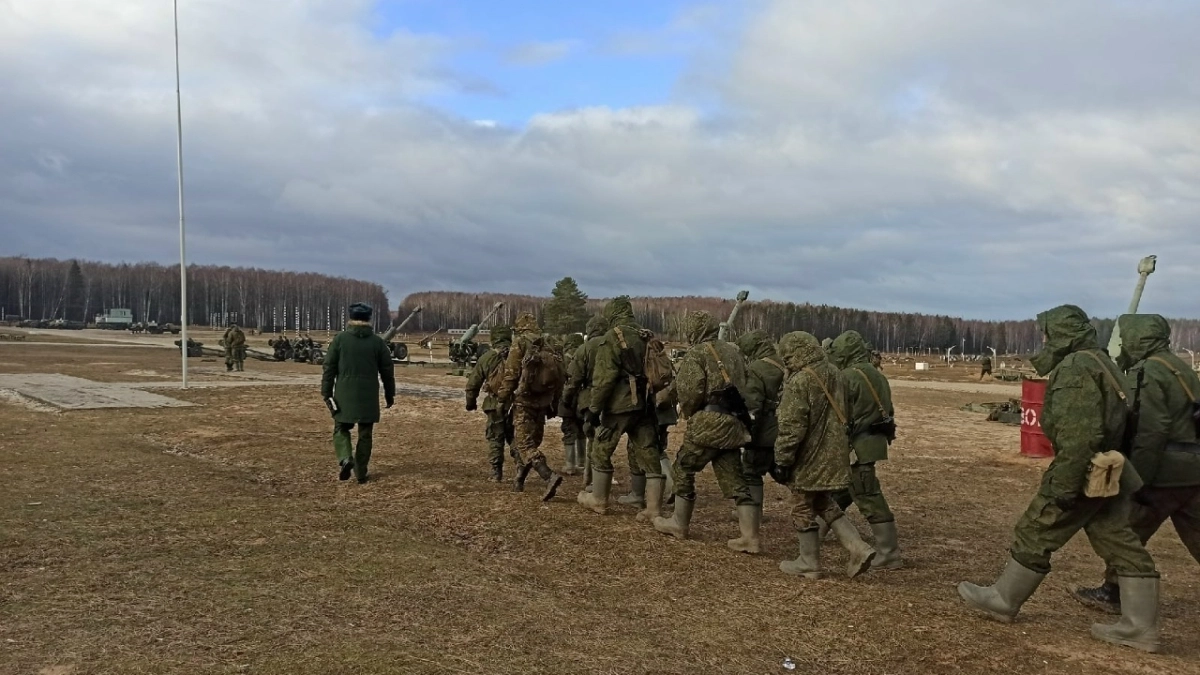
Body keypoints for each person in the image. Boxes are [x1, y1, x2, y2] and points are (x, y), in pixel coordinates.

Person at [958, 304, 1160, 653]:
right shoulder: (1101, 362)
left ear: (1063, 334)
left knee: (1036, 528)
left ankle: (1004, 600)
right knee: (1118, 540)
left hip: (1083, 470)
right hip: (1109, 471)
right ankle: (1140, 627)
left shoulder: (1076, 368)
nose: (1044, 339)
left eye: (1047, 333)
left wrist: (1064, 486)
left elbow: (1081, 436)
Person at [1075, 314, 1200, 615]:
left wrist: (1137, 481)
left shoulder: (1147, 371)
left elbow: (1151, 431)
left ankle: (1114, 593)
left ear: (1138, 339)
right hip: (1193, 470)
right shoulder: (1181, 367)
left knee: (1126, 532)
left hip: (1164, 474)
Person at [771, 331, 877, 578]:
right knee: (823, 502)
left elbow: (792, 426)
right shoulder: (836, 373)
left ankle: (808, 562)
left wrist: (782, 459)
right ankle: (858, 547)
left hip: (809, 456)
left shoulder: (800, 381)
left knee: (801, 505)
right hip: (835, 453)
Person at [653, 311, 758, 553]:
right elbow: (746, 384)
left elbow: (691, 391)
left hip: (709, 422)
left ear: (694, 330)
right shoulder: (733, 351)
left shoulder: (697, 353)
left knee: (683, 468)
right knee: (735, 478)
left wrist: (689, 411)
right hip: (733, 422)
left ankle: (678, 523)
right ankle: (749, 537)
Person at [577, 298, 662, 519]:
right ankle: (653, 508)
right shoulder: (646, 335)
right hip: (644, 405)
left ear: (612, 314)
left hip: (618, 407)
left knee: (601, 450)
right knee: (649, 452)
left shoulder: (612, 337)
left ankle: (598, 500)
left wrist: (594, 409)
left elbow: (604, 379)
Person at [828, 330, 903, 570]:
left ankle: (889, 553)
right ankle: (815, 530)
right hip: (872, 442)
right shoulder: (877, 375)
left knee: (868, 495)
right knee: (842, 490)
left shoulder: (847, 377)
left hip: (856, 446)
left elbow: (838, 414)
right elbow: (888, 409)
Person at [320, 303, 396, 484]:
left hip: (344, 394)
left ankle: (346, 457)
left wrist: (326, 392)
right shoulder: (377, 342)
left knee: (341, 428)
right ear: (369, 319)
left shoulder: (340, 340)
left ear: (351, 318)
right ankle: (361, 472)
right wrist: (389, 393)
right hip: (368, 396)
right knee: (365, 434)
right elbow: (387, 371)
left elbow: (329, 367)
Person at [496, 312, 564, 500]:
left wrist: (502, 398)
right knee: (531, 441)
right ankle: (519, 480)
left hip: (524, 401)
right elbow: (561, 377)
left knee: (524, 445)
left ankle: (549, 476)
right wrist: (555, 402)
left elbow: (511, 374)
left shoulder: (520, 343)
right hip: (543, 401)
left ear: (519, 328)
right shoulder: (550, 344)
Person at [735, 330, 787, 515]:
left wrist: (746, 436)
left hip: (764, 433)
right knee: (786, 473)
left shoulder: (756, 368)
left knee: (750, 472)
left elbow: (752, 407)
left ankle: (752, 516)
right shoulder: (786, 363)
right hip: (787, 430)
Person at [562, 316, 608, 493]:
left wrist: (566, 398)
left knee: (592, 437)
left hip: (590, 398)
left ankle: (590, 480)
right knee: (605, 439)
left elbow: (573, 379)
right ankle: (597, 475)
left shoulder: (585, 348)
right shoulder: (614, 345)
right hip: (613, 399)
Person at [465, 325, 514, 482]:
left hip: (494, 404)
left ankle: (496, 472)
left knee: (495, 438)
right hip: (516, 404)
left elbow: (473, 384)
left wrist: (470, 403)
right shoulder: (518, 355)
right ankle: (521, 470)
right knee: (517, 438)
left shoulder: (486, 358)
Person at [558, 333, 587, 475]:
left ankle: (570, 465)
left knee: (569, 430)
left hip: (567, 400)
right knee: (582, 431)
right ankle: (582, 463)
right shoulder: (585, 356)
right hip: (583, 400)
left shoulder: (563, 359)